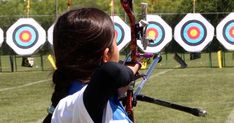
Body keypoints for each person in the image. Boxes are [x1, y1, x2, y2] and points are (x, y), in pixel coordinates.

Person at [43, 7, 141, 123]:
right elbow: (112, 72)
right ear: (106, 55)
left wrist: (118, 91)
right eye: (115, 42)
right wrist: (133, 68)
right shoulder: (79, 103)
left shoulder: (72, 99)